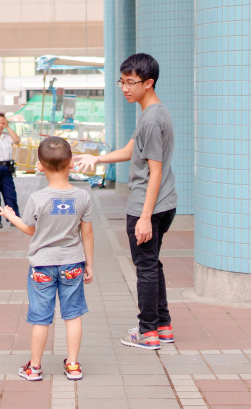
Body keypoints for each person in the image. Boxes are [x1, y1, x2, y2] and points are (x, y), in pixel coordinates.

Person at [74, 53, 178, 350]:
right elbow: (131, 151)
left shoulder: (150, 120)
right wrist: (97, 158)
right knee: (152, 266)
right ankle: (163, 326)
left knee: (145, 268)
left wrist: (145, 217)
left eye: (131, 82)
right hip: (164, 204)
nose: (124, 88)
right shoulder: (154, 113)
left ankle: (147, 332)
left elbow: (155, 171)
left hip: (148, 207)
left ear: (149, 83)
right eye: (122, 81)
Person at [0, 136, 94, 381]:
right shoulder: (83, 197)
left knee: (41, 317)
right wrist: (88, 264)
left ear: (40, 165)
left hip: (42, 266)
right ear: (71, 163)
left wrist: (10, 216)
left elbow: (30, 229)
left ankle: (35, 367)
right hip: (72, 264)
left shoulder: (37, 198)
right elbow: (87, 233)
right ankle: (72, 366)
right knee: (73, 316)